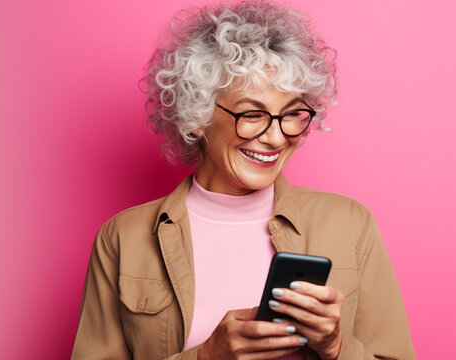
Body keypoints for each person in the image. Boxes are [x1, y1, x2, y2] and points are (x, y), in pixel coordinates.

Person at [71, 1, 415, 359]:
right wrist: (205, 357)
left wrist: (336, 346)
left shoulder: (350, 224)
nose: (277, 138)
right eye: (253, 114)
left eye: (291, 115)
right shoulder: (123, 239)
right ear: (197, 115)